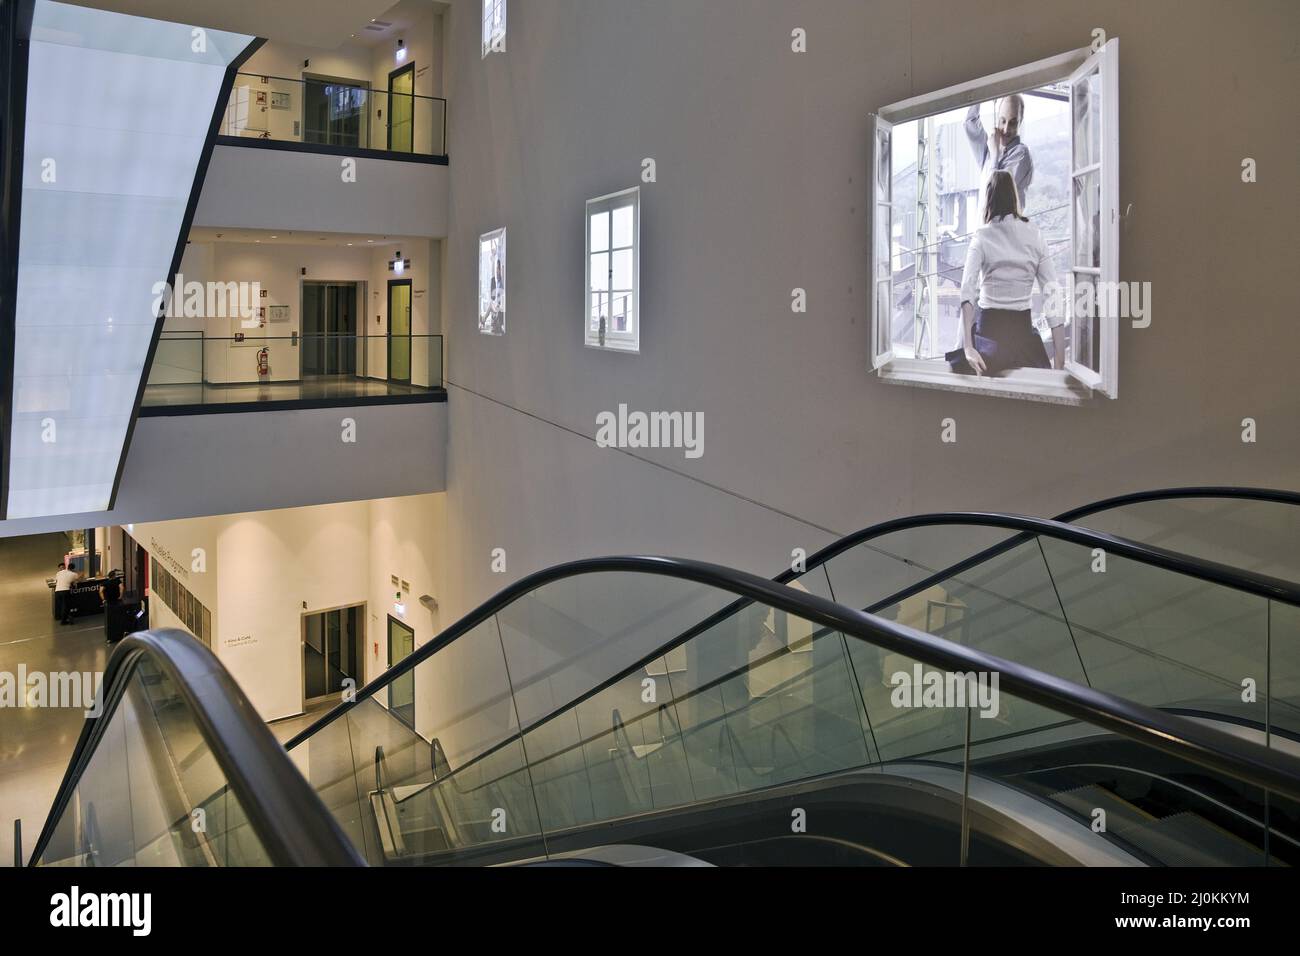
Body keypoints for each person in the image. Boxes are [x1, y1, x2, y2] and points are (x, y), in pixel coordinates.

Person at [946, 170, 1064, 376]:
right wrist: (1060, 361)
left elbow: (968, 290)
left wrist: (967, 346)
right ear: (1014, 196)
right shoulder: (1035, 235)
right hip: (1023, 339)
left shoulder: (982, 237)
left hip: (988, 337)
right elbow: (1052, 293)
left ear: (988, 199)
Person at [965, 95, 1033, 217]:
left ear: (1020, 121)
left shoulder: (1021, 154)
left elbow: (996, 197)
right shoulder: (990, 149)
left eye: (1012, 123)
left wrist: (995, 156)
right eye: (1002, 121)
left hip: (1005, 233)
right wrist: (983, 90)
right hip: (985, 232)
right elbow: (970, 122)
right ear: (997, 119)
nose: (1006, 129)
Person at [53, 561, 80, 626]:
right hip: (65, 591)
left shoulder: (59, 573)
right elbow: (78, 579)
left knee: (63, 606)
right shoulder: (73, 574)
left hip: (57, 591)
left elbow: (57, 580)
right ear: (73, 568)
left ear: (66, 567)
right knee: (65, 607)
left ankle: (66, 618)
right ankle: (63, 621)